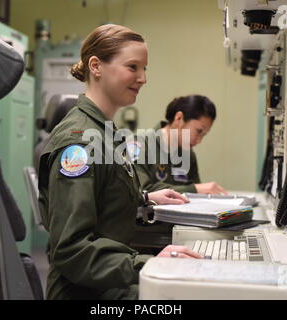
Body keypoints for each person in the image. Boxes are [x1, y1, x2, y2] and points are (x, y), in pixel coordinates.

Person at [37, 24, 202, 300]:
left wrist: (144, 197)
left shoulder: (104, 132)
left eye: (144, 69)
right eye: (133, 67)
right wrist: (148, 264)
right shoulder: (79, 143)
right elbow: (72, 250)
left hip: (106, 280)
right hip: (83, 292)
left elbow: (101, 197)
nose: (143, 78)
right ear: (96, 66)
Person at [133, 94, 228, 195]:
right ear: (179, 118)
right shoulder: (140, 144)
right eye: (198, 131)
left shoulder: (188, 154)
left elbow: (196, 199)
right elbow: (141, 192)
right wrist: (194, 189)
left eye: (204, 135)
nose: (199, 141)